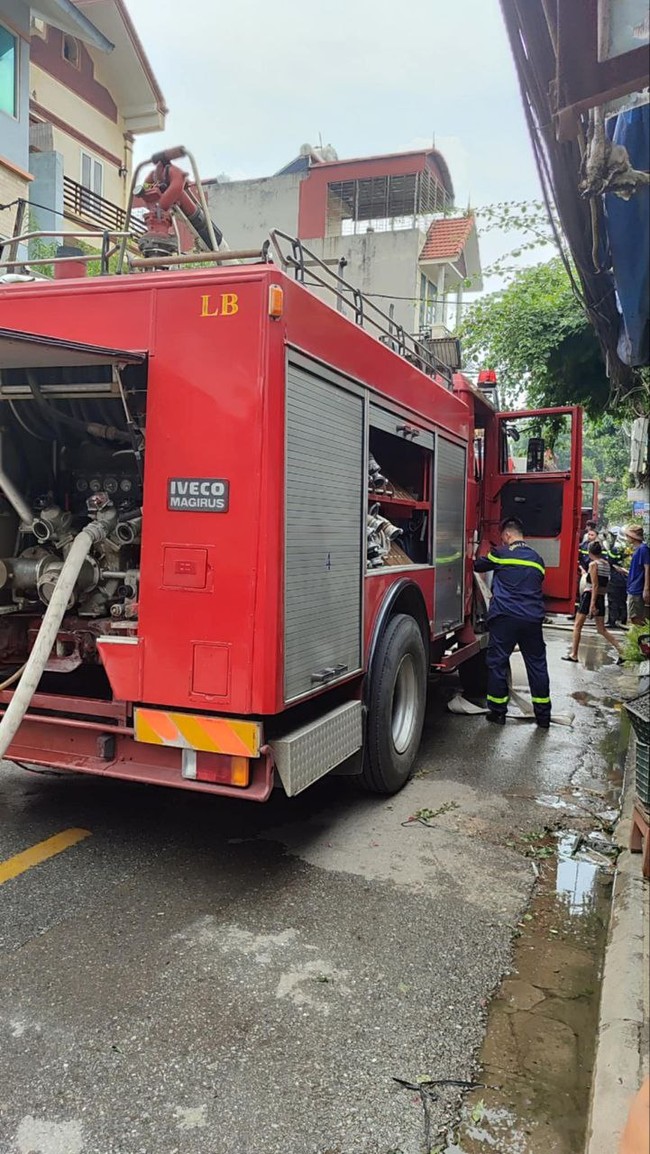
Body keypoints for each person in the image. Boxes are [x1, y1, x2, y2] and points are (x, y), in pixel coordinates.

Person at [474, 517, 551, 728]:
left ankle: (498, 713)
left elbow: (479, 565)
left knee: (497, 663)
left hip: (505, 618)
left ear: (507, 535)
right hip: (532, 619)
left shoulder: (500, 553)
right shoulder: (538, 559)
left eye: (503, 537)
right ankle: (543, 717)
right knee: (536, 665)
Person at [563, 541, 623, 663]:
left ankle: (574, 654)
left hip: (590, 596)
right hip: (600, 597)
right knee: (601, 629)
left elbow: (594, 585)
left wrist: (592, 604)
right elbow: (604, 584)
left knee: (577, 626)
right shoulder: (606, 564)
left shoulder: (593, 565)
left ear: (590, 552)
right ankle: (621, 650)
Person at [625, 524, 650, 625]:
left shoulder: (643, 549)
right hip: (634, 586)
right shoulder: (638, 549)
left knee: (637, 618)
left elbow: (647, 568)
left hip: (637, 588)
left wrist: (646, 589)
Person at [605, 534, 628, 629]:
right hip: (626, 580)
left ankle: (612, 621)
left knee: (613, 600)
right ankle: (622, 620)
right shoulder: (630, 549)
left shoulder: (615, 549)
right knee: (622, 600)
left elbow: (610, 562)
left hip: (615, 579)